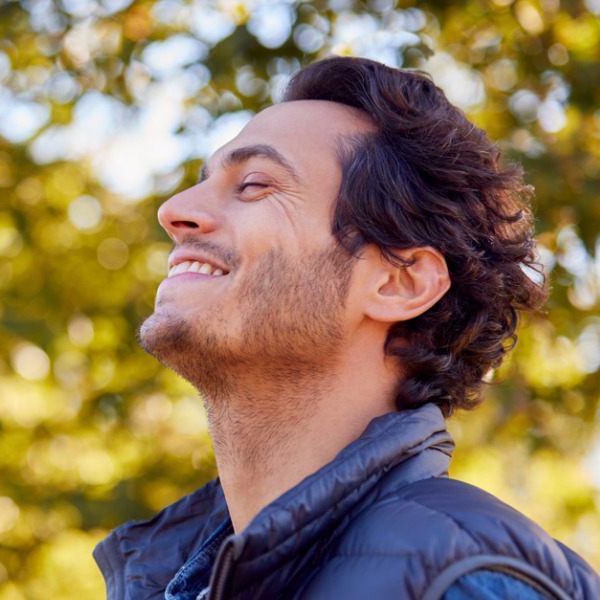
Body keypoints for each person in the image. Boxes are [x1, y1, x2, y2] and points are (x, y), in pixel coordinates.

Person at [93, 57, 600, 599]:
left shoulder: (464, 578)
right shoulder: (178, 582)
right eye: (203, 182)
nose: (174, 210)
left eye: (255, 184)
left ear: (398, 283)